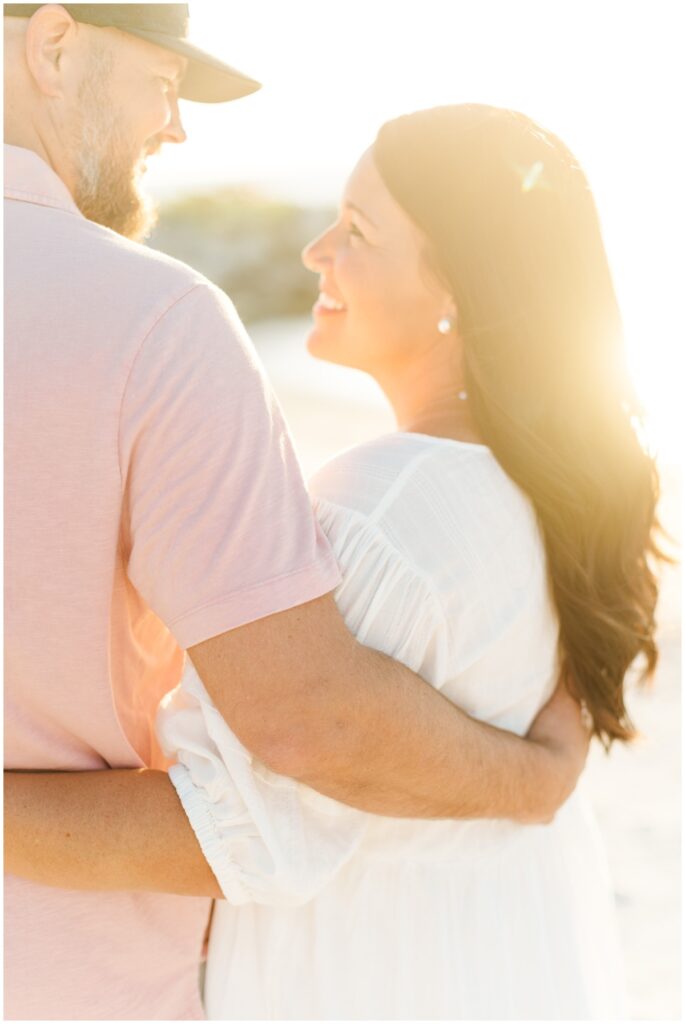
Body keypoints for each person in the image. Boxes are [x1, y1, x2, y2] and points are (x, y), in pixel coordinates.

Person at [3, 7, 588, 1022]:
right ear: (53, 45)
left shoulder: (401, 503)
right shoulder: (153, 325)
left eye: (353, 231)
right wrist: (529, 780)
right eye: (162, 80)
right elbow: (310, 729)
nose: (175, 127)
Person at [153, 105, 665, 1018]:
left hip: (371, 973)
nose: (315, 252)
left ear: (458, 288)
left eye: (355, 231)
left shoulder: (385, 508)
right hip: (496, 949)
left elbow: (239, 825)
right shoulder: (552, 492)